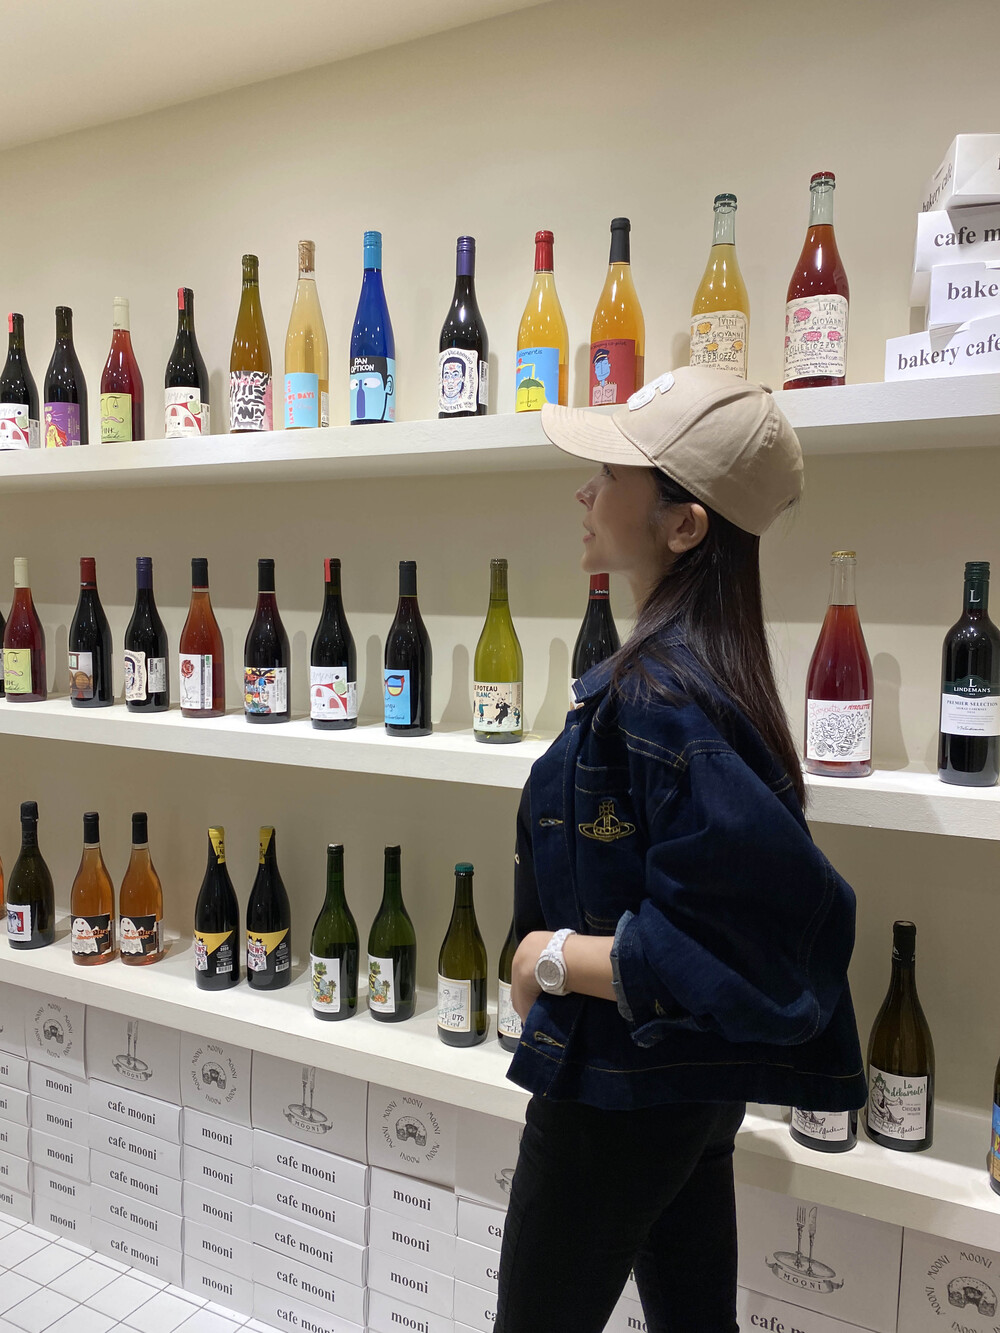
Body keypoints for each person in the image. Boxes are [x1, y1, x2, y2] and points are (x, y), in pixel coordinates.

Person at [497, 366, 867, 1333]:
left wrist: (547, 957)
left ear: (685, 525)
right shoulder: (708, 676)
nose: (585, 491)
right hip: (683, 1090)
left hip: (615, 1097)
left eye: (613, 473)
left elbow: (723, 936)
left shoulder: (663, 696)